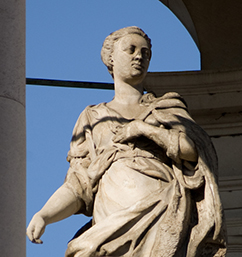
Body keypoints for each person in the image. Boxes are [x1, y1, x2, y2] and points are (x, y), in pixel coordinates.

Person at [26, 26, 226, 257]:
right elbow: (79, 184)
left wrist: (143, 129)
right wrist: (45, 215)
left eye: (145, 53)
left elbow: (194, 152)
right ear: (110, 57)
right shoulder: (93, 117)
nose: (139, 56)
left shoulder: (165, 109)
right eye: (130, 50)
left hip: (161, 212)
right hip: (109, 221)